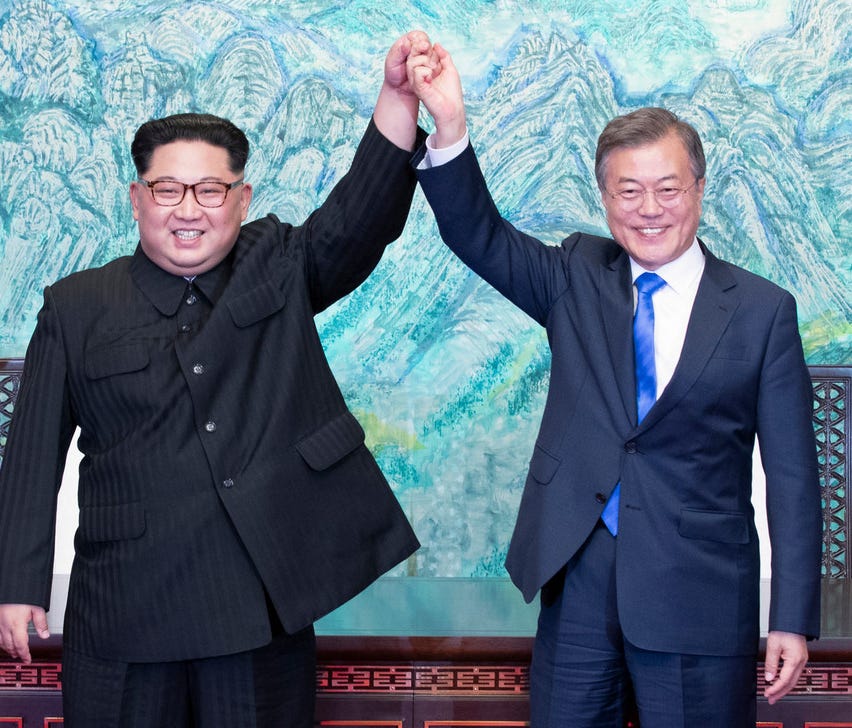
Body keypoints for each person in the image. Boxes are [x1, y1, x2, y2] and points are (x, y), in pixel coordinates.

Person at [0, 31, 436, 728]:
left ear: (242, 197)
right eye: (168, 189)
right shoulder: (75, 305)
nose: (189, 209)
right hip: (122, 612)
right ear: (136, 199)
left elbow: (362, 216)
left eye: (210, 189)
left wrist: (399, 96)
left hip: (255, 608)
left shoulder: (278, 265)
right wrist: (15, 587)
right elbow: (30, 460)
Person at [406, 44, 822, 726]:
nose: (649, 208)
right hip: (580, 582)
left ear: (698, 189)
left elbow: (794, 476)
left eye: (667, 188)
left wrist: (792, 619)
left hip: (701, 595)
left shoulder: (761, 311)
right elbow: (476, 233)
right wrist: (449, 123)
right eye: (628, 191)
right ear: (604, 197)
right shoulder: (576, 276)